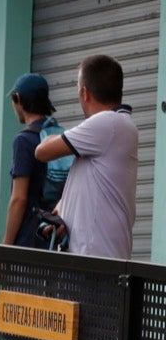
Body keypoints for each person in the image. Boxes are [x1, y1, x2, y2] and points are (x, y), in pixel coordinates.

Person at [35, 53, 138, 259]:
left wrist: (50, 135)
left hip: (94, 260)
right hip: (93, 257)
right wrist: (62, 210)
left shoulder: (107, 124)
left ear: (84, 93)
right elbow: (91, 180)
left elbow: (42, 151)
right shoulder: (117, 127)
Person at [3, 74, 57, 248]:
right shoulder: (60, 136)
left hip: (30, 237)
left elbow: (19, 199)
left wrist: (6, 247)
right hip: (56, 233)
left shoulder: (24, 140)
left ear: (18, 99)